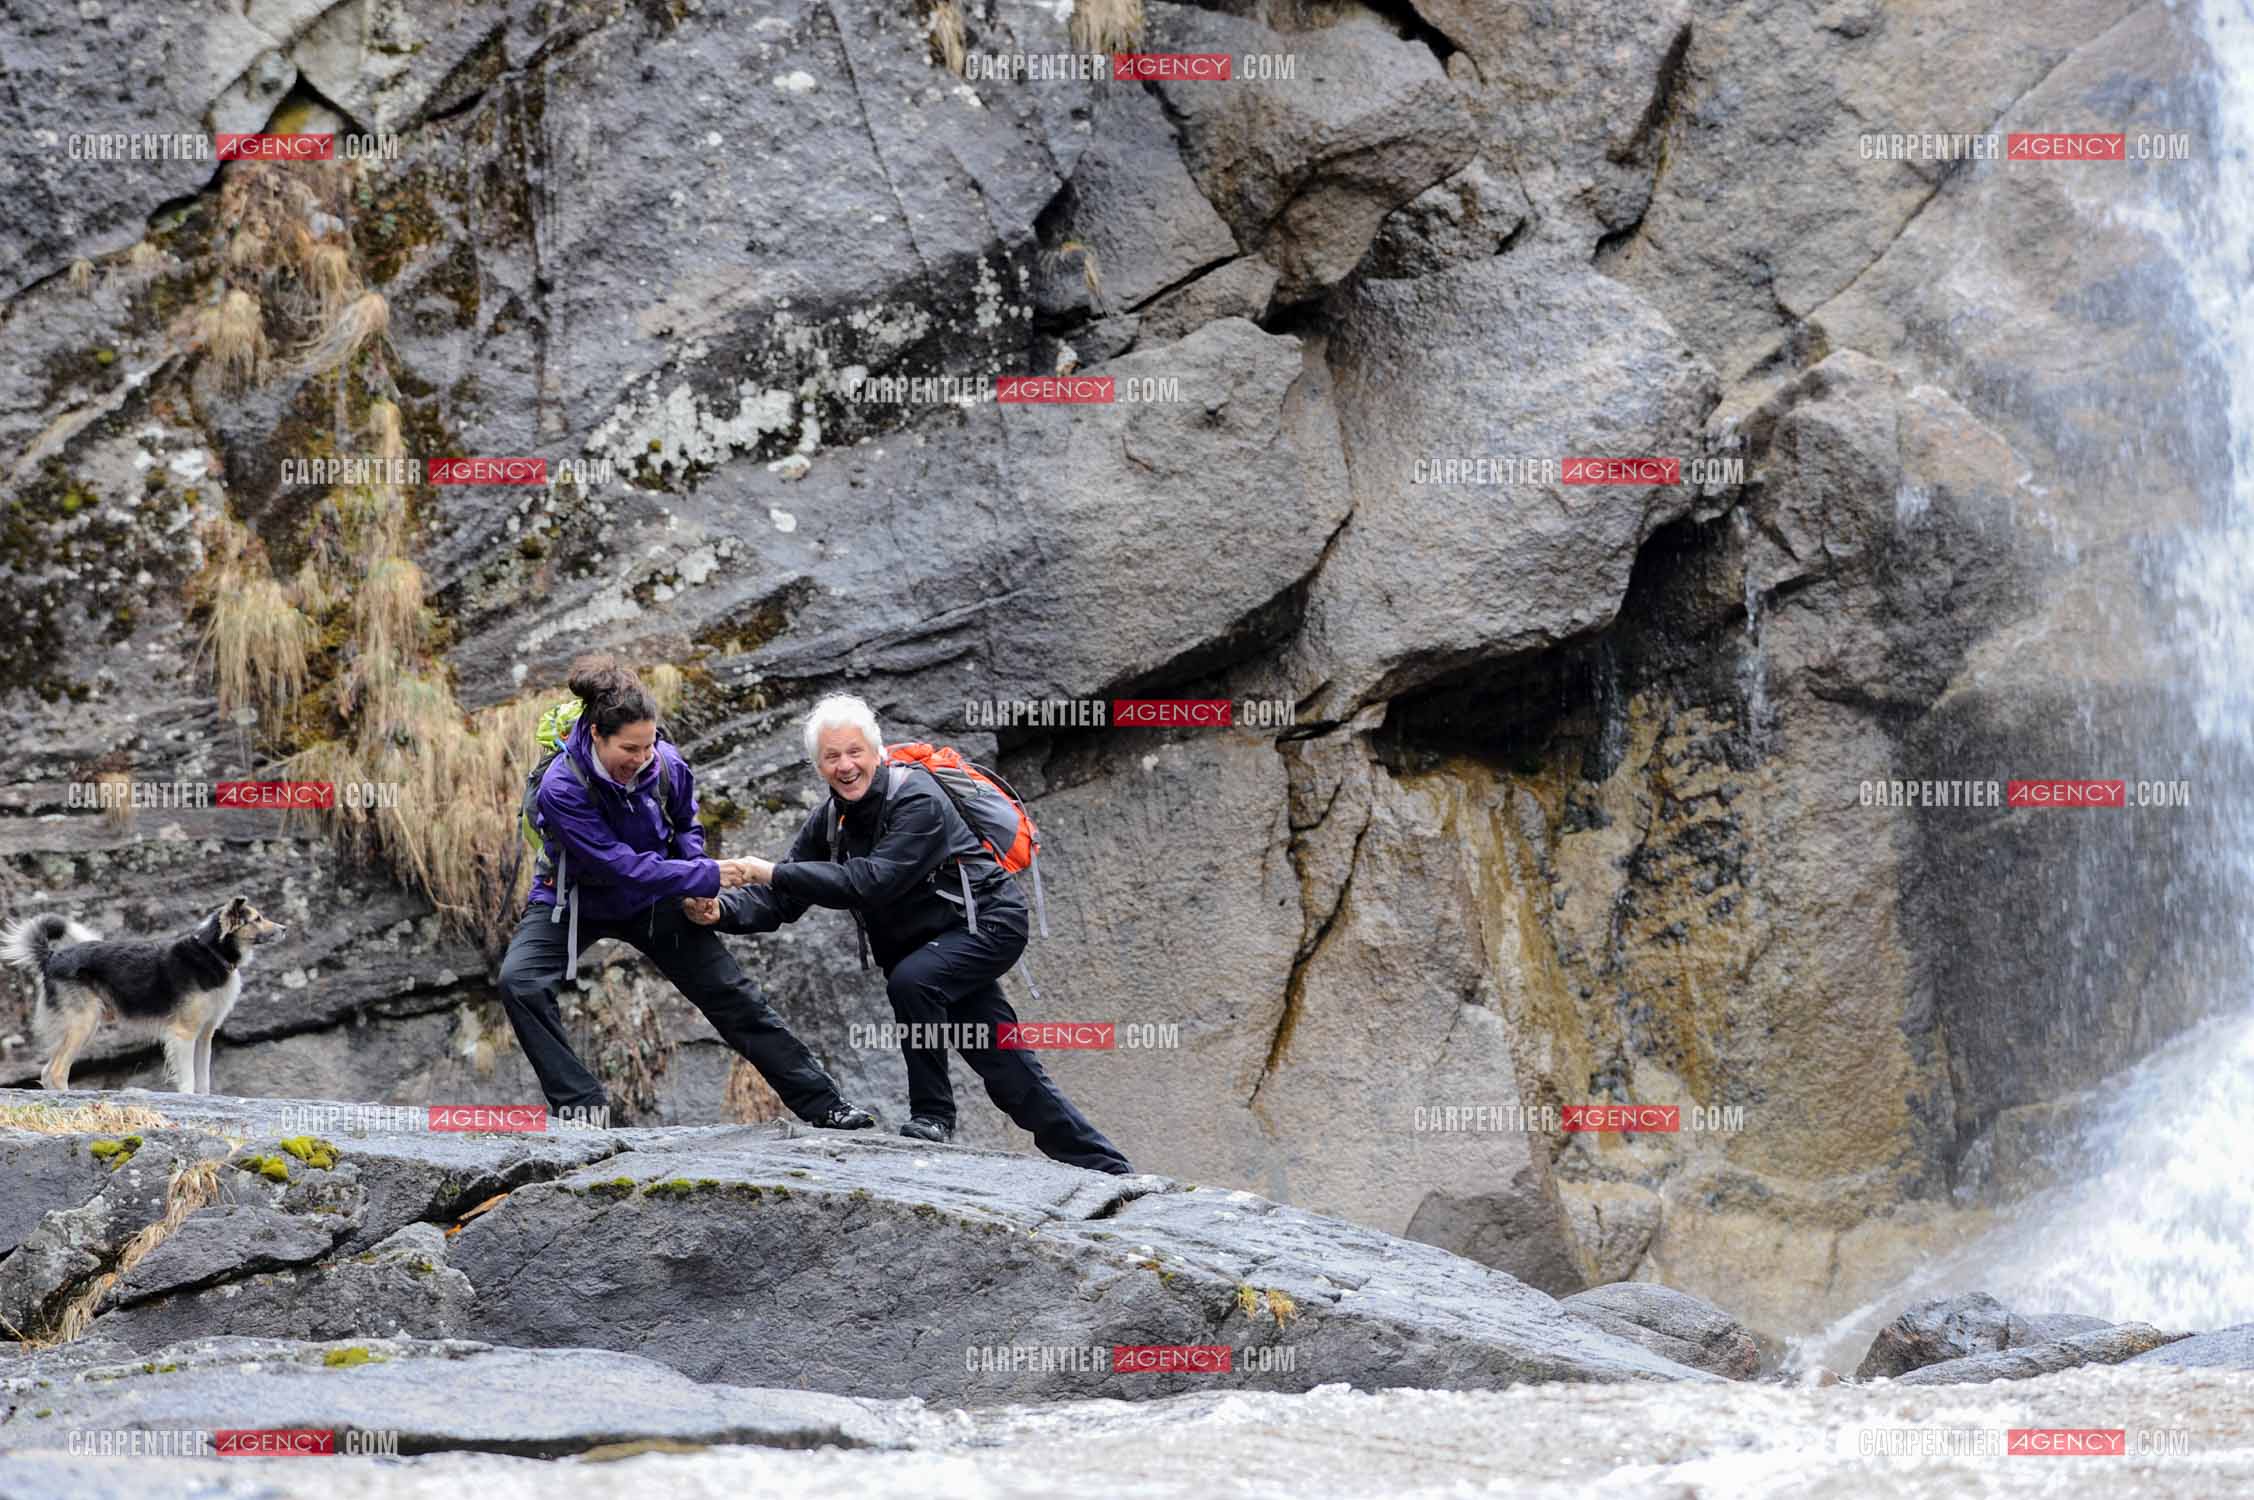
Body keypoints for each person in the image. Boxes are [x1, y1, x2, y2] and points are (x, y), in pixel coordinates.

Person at [687, 694, 1133, 1175]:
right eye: (832, 756)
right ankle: (1108, 1169)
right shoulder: (830, 822)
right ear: (818, 766)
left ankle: (933, 1116)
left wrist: (765, 870)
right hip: (931, 949)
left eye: (854, 752)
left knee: (912, 981)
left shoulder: (918, 797)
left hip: (989, 923)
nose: (845, 766)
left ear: (877, 753)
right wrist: (720, 912)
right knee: (1007, 1068)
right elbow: (783, 899)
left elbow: (872, 881)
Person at [496, 654, 876, 1130]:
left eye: (648, 745)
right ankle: (581, 1108)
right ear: (596, 734)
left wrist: (697, 881)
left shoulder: (668, 765)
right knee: (520, 982)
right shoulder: (562, 786)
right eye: (629, 749)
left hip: (657, 898)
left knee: (733, 998)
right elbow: (617, 864)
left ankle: (826, 1105)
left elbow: (685, 827)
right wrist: (704, 877)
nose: (640, 759)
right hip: (572, 900)